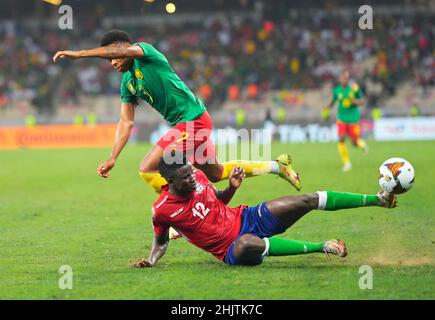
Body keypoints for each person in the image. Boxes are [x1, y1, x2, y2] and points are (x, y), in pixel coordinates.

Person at [53, 30, 301, 192]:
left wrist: (80, 54)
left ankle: (183, 209)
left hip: (193, 120)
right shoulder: (127, 82)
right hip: (188, 124)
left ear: (123, 48)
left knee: (148, 167)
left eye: (113, 57)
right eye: (109, 61)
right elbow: (125, 122)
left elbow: (119, 52)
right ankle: (276, 166)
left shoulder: (146, 53)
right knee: (216, 173)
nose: (113, 63)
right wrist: (112, 156)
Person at [132, 152, 397, 267]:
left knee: (306, 200)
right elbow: (161, 242)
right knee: (248, 244)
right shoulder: (162, 210)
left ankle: (377, 199)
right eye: (186, 177)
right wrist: (152, 260)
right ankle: (321, 246)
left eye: (192, 173)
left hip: (246, 217)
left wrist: (233, 187)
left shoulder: (200, 178)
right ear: (170, 182)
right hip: (231, 249)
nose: (193, 179)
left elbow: (218, 202)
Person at [323, 70, 369, 172]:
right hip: (342, 118)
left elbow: (361, 101)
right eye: (343, 78)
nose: (345, 80)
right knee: (341, 138)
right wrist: (327, 107)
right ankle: (347, 163)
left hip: (353, 119)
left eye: (347, 78)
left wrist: (355, 102)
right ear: (340, 79)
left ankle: (363, 145)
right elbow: (333, 101)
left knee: (354, 142)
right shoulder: (337, 90)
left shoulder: (354, 88)